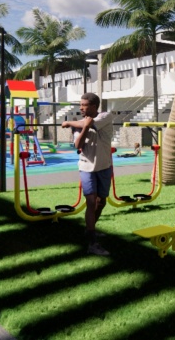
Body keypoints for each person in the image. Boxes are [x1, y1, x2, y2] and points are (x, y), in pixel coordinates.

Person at [62, 93, 114, 256]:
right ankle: (92, 243)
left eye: (84, 105)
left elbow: (92, 122)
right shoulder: (79, 125)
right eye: (80, 105)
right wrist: (84, 127)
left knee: (101, 201)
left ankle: (89, 229)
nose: (81, 108)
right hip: (86, 167)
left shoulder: (105, 116)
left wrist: (68, 122)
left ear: (93, 106)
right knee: (91, 202)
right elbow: (78, 145)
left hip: (104, 166)